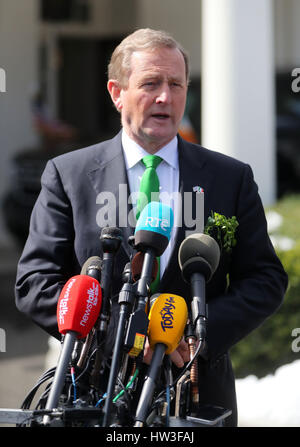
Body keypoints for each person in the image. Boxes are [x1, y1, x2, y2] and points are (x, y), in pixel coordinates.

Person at [15, 28, 288, 426]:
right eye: (150, 83)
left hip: (197, 391)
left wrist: (192, 335)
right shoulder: (68, 174)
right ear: (116, 92)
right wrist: (123, 338)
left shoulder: (230, 178)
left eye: (176, 84)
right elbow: (35, 281)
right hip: (91, 390)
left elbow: (265, 279)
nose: (165, 97)